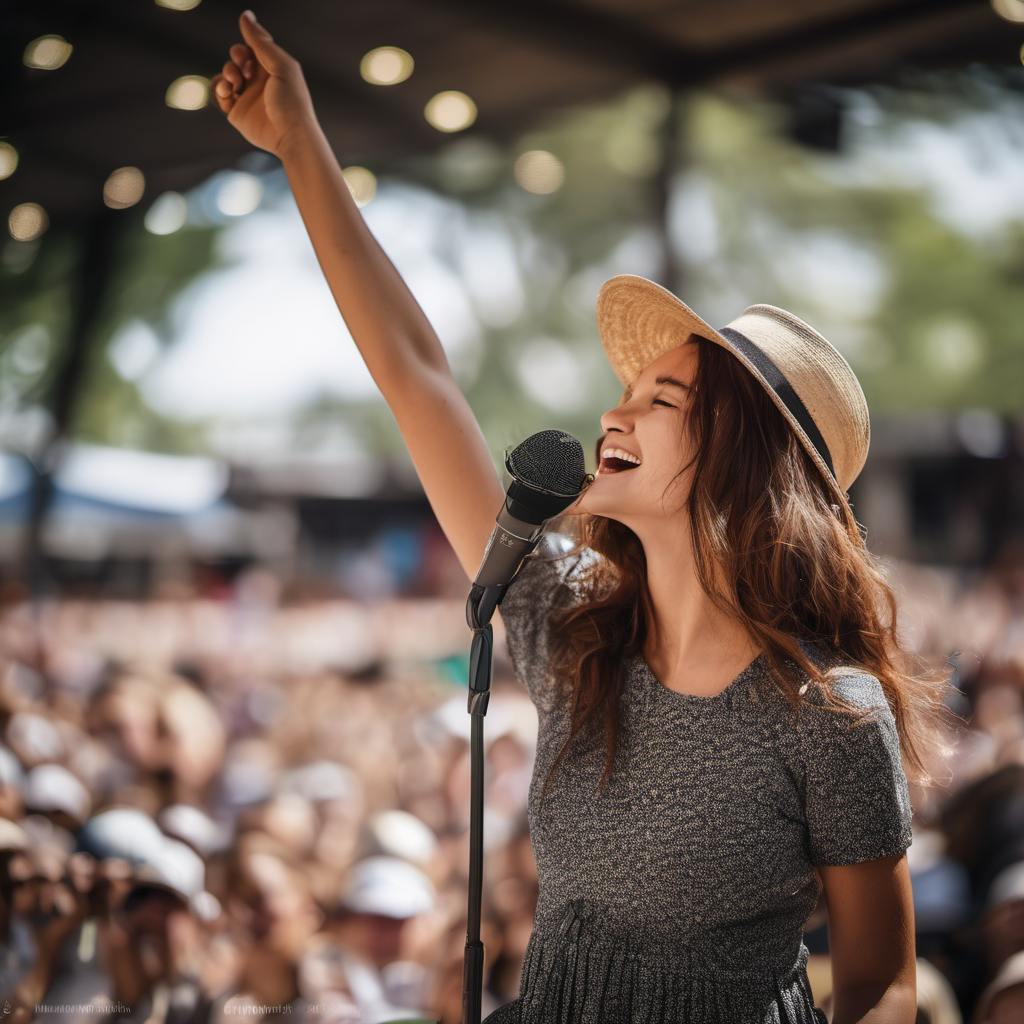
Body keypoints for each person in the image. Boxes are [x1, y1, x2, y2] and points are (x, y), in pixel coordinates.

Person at [212, 12, 938, 1022]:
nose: (613, 414)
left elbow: (881, 984)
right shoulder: (569, 624)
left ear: (743, 463)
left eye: (661, 400)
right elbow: (418, 378)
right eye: (626, 393)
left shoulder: (832, 713)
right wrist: (298, 142)